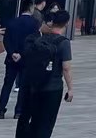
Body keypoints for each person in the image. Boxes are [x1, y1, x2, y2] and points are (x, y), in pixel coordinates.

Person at [16, 8, 73, 138]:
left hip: (35, 85)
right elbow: (66, 68)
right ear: (66, 23)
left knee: (35, 121)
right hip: (53, 87)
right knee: (46, 124)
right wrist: (70, 89)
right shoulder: (63, 42)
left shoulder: (40, 39)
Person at [0, 0, 42, 119]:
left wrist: (12, 53)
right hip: (26, 59)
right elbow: (35, 42)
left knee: (7, 84)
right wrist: (22, 54)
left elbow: (6, 40)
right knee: (23, 86)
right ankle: (18, 111)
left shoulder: (11, 22)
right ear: (31, 8)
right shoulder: (35, 23)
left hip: (11, 58)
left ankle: (1, 110)